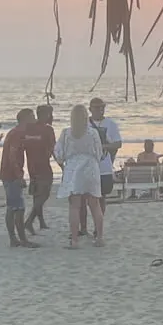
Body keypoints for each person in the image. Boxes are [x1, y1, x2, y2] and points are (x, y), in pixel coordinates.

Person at [56, 102, 105, 248]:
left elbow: (59, 153)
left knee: (75, 206)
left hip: (73, 168)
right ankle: (100, 238)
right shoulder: (92, 133)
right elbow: (99, 152)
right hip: (90, 168)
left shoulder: (66, 133)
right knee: (95, 205)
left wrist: (64, 163)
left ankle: (75, 240)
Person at [0, 109, 39, 249]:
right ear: (25, 118)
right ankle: (22, 239)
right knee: (18, 208)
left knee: (12, 207)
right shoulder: (17, 134)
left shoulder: (15, 133)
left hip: (6, 173)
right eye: (32, 116)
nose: (34, 119)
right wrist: (19, 175)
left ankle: (14, 238)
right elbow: (13, 156)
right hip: (11, 174)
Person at [25, 104, 55, 233]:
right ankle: (30, 221)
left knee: (37, 194)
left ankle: (41, 221)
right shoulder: (48, 130)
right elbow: (54, 149)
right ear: (46, 115)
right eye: (50, 114)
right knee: (45, 193)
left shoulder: (29, 128)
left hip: (31, 165)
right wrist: (62, 165)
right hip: (43, 165)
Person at [89, 98, 122, 199]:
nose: (100, 110)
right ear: (90, 109)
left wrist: (104, 146)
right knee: (88, 197)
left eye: (102, 107)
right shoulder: (85, 124)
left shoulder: (111, 124)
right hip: (88, 167)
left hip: (105, 167)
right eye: (97, 107)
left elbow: (118, 144)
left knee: (102, 196)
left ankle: (100, 215)